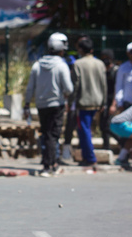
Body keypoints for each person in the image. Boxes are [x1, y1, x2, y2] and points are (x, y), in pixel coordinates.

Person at [25, 32, 73, 177]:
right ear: (61, 49)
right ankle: (50, 165)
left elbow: (30, 88)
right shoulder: (61, 65)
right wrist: (64, 94)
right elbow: (69, 88)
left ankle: (49, 163)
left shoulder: (37, 65)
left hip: (41, 105)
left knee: (46, 134)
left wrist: (27, 104)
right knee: (53, 135)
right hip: (57, 104)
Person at [71, 36, 107, 167]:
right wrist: (103, 102)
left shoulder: (78, 64)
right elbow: (104, 84)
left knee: (84, 130)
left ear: (80, 49)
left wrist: (70, 102)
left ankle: (90, 158)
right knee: (88, 129)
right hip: (97, 101)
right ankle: (87, 156)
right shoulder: (100, 64)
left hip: (84, 102)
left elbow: (75, 85)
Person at [100, 49, 119, 150]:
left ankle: (122, 142)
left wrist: (114, 104)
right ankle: (106, 147)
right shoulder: (101, 70)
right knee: (102, 126)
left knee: (108, 126)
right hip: (103, 101)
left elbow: (117, 88)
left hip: (112, 100)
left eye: (107, 58)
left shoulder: (115, 71)